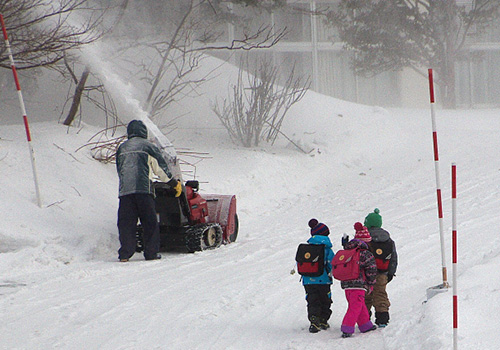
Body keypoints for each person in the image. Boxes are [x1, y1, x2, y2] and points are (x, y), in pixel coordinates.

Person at [116, 120, 181, 262]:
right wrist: (173, 183)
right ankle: (151, 253)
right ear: (143, 132)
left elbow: (120, 170)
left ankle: (125, 254)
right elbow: (160, 168)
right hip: (144, 191)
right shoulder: (148, 147)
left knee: (126, 223)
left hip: (125, 193)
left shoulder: (122, 148)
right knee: (149, 222)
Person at [340, 222, 377, 338]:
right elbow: (371, 270)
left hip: (347, 284)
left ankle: (365, 325)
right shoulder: (366, 254)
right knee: (355, 307)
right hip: (359, 285)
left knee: (358, 305)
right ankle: (347, 327)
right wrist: (371, 283)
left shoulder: (347, 251)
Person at [363, 208, 398, 327]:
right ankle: (382, 319)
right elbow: (393, 258)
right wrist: (390, 273)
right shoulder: (388, 240)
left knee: (366, 296)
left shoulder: (364, 239)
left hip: (366, 274)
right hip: (382, 273)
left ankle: (364, 319)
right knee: (380, 294)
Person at [302, 219, 335, 333]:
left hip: (308, 281)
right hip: (324, 280)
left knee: (312, 300)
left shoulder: (307, 249)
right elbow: (332, 264)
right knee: (325, 300)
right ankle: (323, 320)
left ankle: (314, 320)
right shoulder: (327, 249)